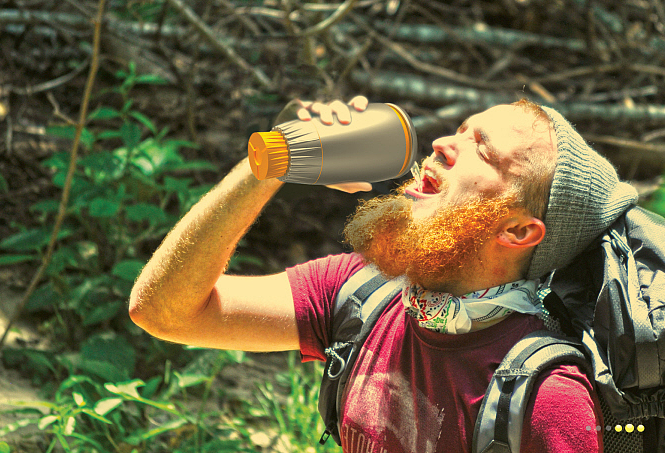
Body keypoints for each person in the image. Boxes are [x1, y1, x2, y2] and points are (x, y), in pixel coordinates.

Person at [128, 96, 638, 453]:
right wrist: (269, 164)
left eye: (481, 150)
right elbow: (164, 311)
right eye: (457, 130)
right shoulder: (360, 295)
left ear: (519, 230)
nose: (440, 143)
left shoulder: (544, 399)